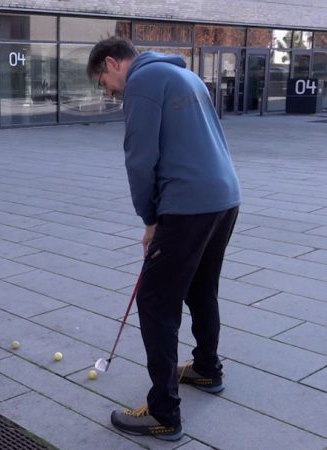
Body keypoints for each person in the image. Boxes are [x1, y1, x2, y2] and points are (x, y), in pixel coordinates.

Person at [86, 37, 241, 441]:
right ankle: (207, 368)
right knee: (200, 286)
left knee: (155, 301)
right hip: (224, 197)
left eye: (104, 82)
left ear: (112, 63)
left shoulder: (143, 81)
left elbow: (140, 158)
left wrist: (150, 219)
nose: (109, 91)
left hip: (188, 203)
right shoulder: (182, 74)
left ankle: (162, 413)